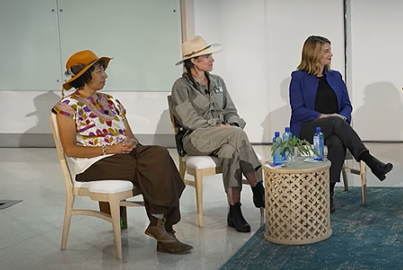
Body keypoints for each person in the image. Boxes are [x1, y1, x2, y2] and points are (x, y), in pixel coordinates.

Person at [53, 50, 192, 254]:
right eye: (100, 70)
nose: (105, 75)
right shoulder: (67, 107)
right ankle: (163, 228)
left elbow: (131, 136)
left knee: (159, 154)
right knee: (157, 169)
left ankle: (159, 225)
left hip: (124, 154)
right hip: (95, 163)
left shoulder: (112, 102)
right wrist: (109, 148)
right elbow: (69, 149)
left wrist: (129, 143)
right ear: (84, 75)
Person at [170, 36, 264, 233]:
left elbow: (231, 110)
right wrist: (218, 125)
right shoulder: (181, 86)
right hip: (195, 137)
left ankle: (234, 211)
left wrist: (231, 123)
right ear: (194, 61)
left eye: (211, 56)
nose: (212, 60)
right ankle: (258, 187)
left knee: (231, 150)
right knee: (235, 135)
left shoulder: (218, 81)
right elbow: (189, 121)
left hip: (225, 135)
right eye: (207, 57)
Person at [289, 35, 393, 212]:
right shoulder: (298, 77)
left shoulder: (335, 76)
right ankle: (370, 161)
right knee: (336, 122)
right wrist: (323, 116)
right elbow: (298, 110)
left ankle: (327, 195)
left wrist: (343, 117)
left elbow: (347, 105)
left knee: (337, 143)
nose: (331, 54)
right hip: (309, 127)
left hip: (335, 128)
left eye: (330, 50)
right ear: (313, 53)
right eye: (326, 50)